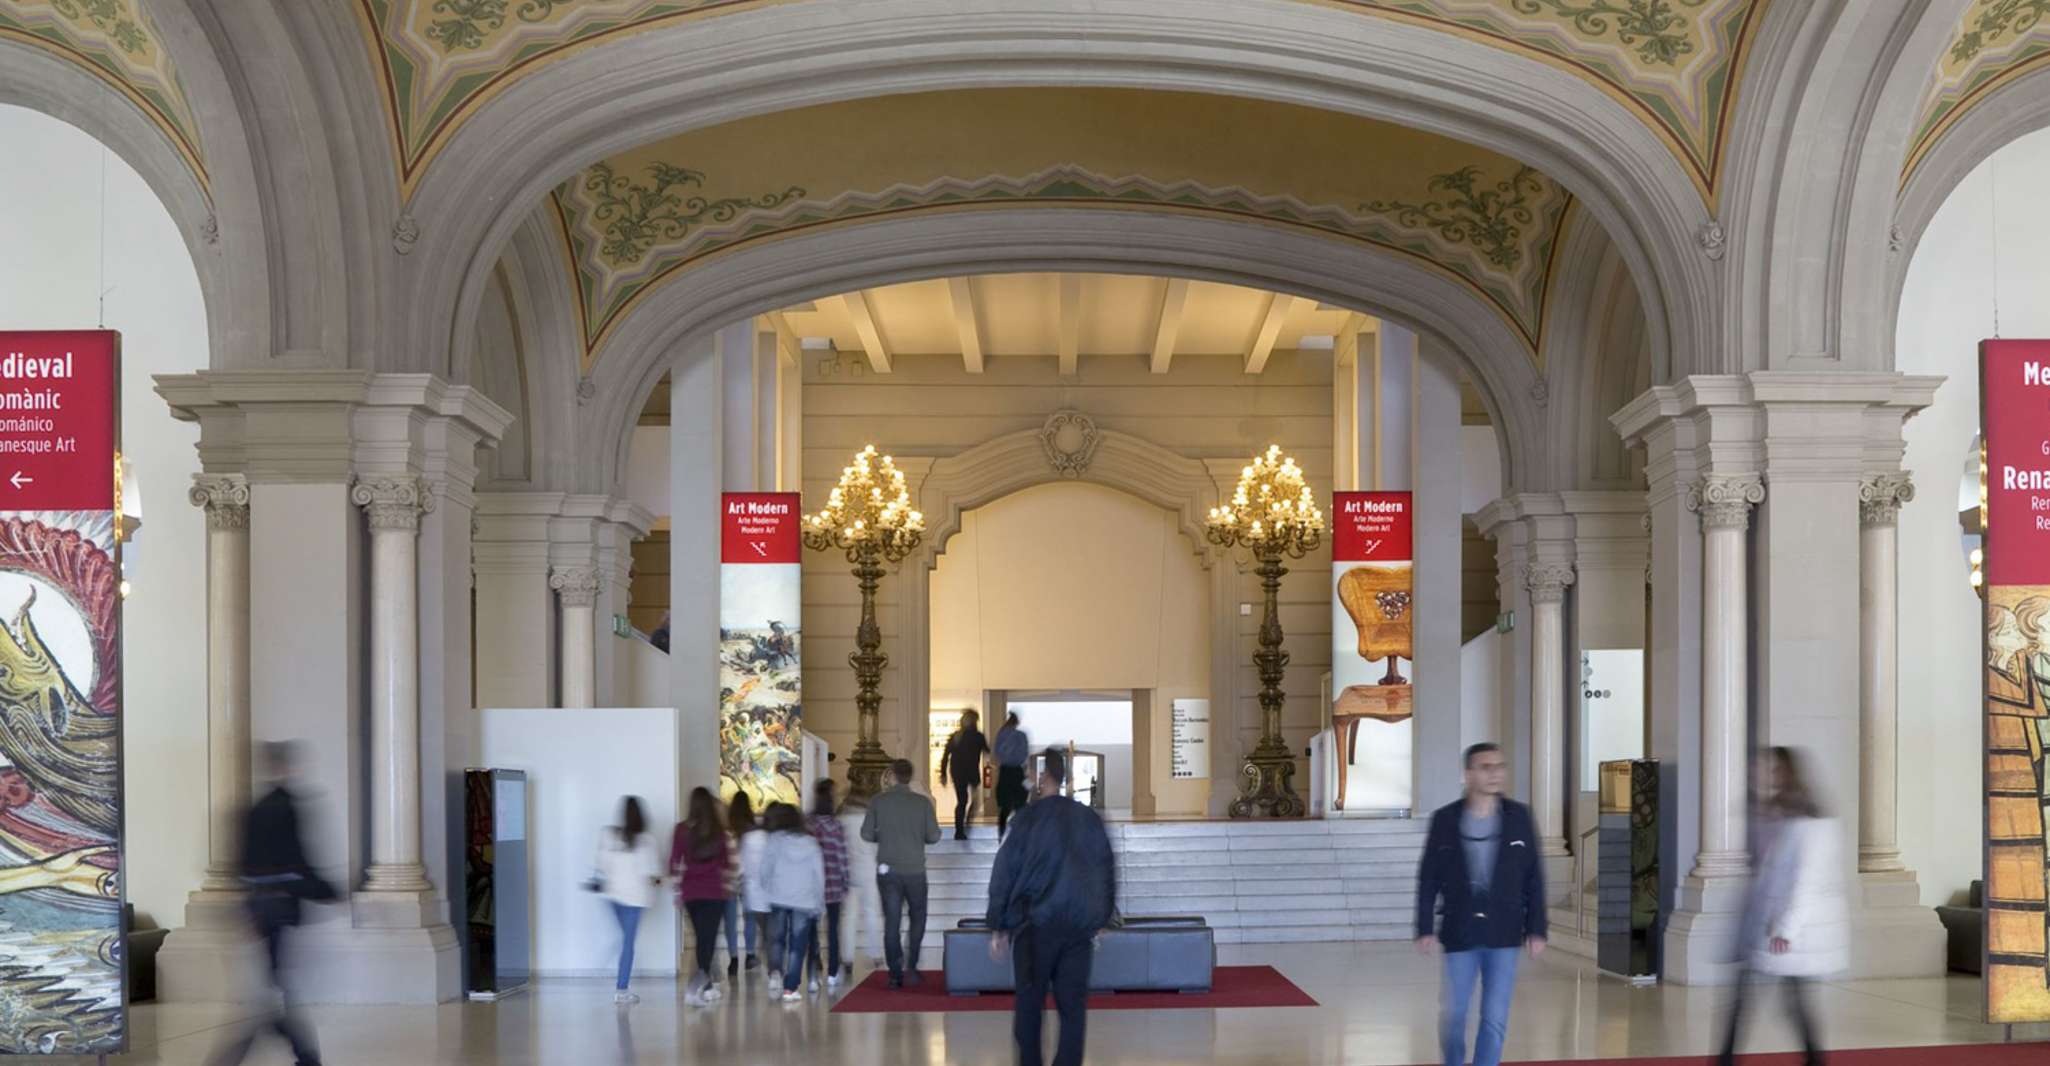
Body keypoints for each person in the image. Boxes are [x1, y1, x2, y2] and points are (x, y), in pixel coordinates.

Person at [1414, 742, 1546, 1066]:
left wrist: (1537, 928)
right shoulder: (1445, 819)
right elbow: (1428, 876)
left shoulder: (1519, 817)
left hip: (1504, 932)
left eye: (1499, 766)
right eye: (1486, 767)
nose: (1495, 774)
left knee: (1494, 1018)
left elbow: (1534, 875)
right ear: (1468, 774)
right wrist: (1424, 927)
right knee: (1455, 1015)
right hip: (1460, 931)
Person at [208, 741, 338, 1066]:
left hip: (258, 908)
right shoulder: (287, 806)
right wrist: (325, 890)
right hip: (279, 908)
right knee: (274, 991)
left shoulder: (252, 810)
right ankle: (304, 1057)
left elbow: (241, 864)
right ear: (287, 767)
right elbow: (297, 859)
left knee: (272, 987)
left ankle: (300, 1055)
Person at [985, 748, 1116, 1066]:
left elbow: (1004, 871)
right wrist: (1102, 916)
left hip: (1034, 928)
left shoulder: (1026, 820)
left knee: (1030, 1005)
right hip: (1077, 929)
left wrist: (999, 925)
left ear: (1044, 778)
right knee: (1073, 1009)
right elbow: (1105, 867)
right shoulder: (1088, 818)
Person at [1718, 746, 1846, 1066]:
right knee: (1770, 999)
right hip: (1767, 922)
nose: (1761, 776)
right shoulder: (1777, 815)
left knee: (1780, 1000)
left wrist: (1787, 928)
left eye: (1771, 770)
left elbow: (1805, 880)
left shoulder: (1809, 823)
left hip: (1791, 928)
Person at [860, 758, 941, 987]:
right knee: (918, 917)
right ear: (910, 776)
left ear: (893, 775)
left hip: (888, 870)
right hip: (915, 870)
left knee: (892, 921)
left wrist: (884, 835)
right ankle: (912, 965)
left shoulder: (878, 801)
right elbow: (934, 836)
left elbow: (866, 834)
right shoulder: (922, 803)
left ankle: (895, 974)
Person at [669, 786, 733, 1006]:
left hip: (691, 893)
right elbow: (727, 864)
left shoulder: (680, 830)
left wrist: (677, 891)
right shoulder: (719, 832)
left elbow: (674, 862)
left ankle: (705, 986)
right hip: (714, 892)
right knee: (708, 940)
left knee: (701, 940)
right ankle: (695, 988)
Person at [597, 795, 663, 1006]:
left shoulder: (609, 836)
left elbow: (602, 867)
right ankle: (621, 988)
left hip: (613, 897)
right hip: (635, 899)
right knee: (628, 943)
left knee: (625, 940)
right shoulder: (646, 841)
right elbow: (651, 875)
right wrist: (660, 881)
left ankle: (618, 978)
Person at [760, 801, 827, 1004]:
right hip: (804, 900)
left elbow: (765, 868)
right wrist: (819, 902)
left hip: (778, 896)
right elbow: (819, 875)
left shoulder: (774, 840)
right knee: (798, 946)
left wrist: (767, 887)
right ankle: (790, 988)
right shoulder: (811, 843)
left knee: (777, 939)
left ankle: (775, 973)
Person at [806, 778, 852, 990]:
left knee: (811, 930)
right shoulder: (835, 826)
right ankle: (833, 972)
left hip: (811, 886)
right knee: (833, 930)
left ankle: (813, 970)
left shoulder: (808, 824)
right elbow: (842, 857)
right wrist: (845, 880)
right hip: (833, 884)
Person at [838, 790, 879, 982]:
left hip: (848, 871)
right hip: (868, 870)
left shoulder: (841, 822)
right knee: (871, 912)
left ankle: (847, 957)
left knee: (848, 916)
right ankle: (875, 953)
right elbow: (877, 846)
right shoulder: (870, 820)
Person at [737, 793, 776, 987]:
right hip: (773, 894)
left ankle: (754, 955)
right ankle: (773, 969)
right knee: (771, 933)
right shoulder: (775, 839)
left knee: (755, 925)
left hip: (751, 892)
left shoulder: (749, 837)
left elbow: (741, 866)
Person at [939, 709, 992, 840]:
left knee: (962, 801)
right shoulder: (978, 736)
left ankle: (959, 831)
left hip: (957, 772)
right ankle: (968, 821)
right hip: (971, 772)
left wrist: (943, 773)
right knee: (975, 799)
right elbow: (987, 751)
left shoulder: (956, 736)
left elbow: (945, 756)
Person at [723, 791, 759, 975]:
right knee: (749, 918)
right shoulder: (753, 829)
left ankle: (733, 958)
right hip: (748, 879)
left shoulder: (726, 829)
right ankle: (750, 954)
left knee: (730, 921)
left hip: (729, 878)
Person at [994, 711, 1031, 839]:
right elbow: (1024, 754)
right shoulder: (1021, 735)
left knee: (1004, 808)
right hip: (1017, 772)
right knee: (1019, 805)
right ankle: (1020, 835)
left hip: (1005, 772)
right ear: (1017, 722)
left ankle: (1001, 834)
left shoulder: (1001, 734)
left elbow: (997, 753)